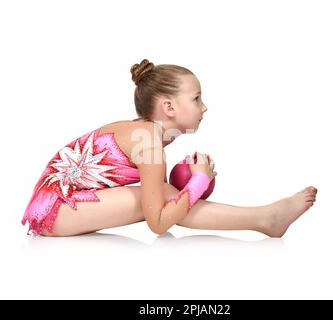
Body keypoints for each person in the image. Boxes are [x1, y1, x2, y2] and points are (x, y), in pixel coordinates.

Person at [21, 58, 318, 237]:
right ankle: (264, 218)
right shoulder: (148, 140)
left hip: (65, 204)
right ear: (169, 107)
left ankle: (265, 218)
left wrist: (181, 184)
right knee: (167, 199)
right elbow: (159, 222)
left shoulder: (146, 135)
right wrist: (198, 181)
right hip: (54, 210)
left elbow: (161, 197)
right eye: (197, 98)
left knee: (167, 195)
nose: (205, 107)